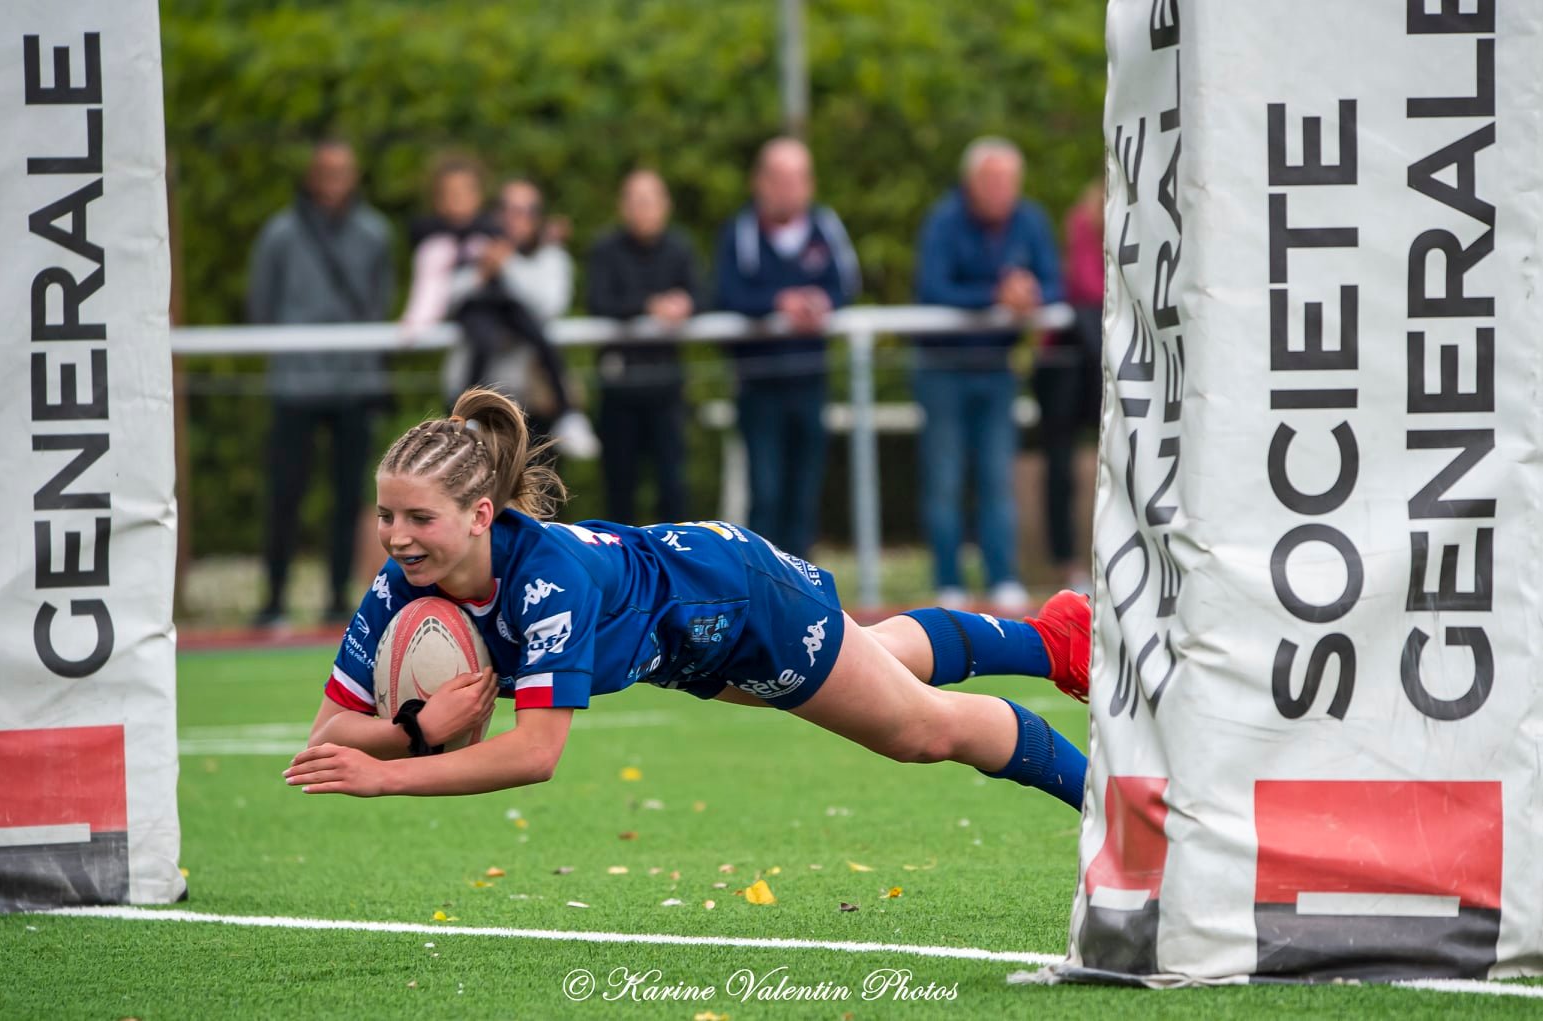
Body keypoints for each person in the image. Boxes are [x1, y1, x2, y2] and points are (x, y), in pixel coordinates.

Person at [284, 387, 1091, 813]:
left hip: (736, 600)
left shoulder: (544, 582)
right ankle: (1055, 638)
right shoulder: (403, 582)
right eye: (387, 514)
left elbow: (536, 754)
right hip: (685, 642)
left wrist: (392, 772)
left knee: (920, 729)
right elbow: (329, 736)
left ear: (479, 516)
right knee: (872, 658)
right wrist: (415, 730)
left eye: (418, 517)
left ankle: (1109, 800)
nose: (396, 536)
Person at [248, 139, 395, 627]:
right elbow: (261, 304)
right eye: (325, 171)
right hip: (296, 382)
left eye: (342, 171)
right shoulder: (282, 234)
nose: (333, 181)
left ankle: (338, 595)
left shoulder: (374, 233)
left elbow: (380, 302)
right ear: (312, 175)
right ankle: (274, 597)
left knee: (352, 494)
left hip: (354, 380)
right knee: (285, 492)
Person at [913, 137, 1062, 612]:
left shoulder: (1030, 221)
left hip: (997, 371)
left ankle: (1003, 577)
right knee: (945, 479)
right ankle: (948, 582)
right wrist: (996, 298)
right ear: (970, 182)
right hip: (943, 370)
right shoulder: (943, 221)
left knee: (998, 477)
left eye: (1008, 182)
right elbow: (932, 288)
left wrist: (1030, 293)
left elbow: (1053, 284)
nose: (1000, 190)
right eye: (991, 180)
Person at [713, 137, 859, 559]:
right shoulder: (740, 231)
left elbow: (846, 285)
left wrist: (821, 303)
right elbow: (726, 293)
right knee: (767, 490)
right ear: (759, 182)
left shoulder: (826, 226)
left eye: (796, 178)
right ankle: (763, 585)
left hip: (810, 379)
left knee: (805, 489)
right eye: (778, 178)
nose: (787, 188)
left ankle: (802, 590)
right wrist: (779, 304)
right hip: (758, 383)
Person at [422, 171, 598, 458]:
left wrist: (506, 263)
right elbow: (443, 299)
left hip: (531, 401)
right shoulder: (471, 243)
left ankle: (568, 413)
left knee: (532, 495)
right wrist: (481, 272)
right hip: (473, 402)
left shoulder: (551, 256)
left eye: (526, 211)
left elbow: (548, 305)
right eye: (508, 209)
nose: (516, 218)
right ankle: (467, 415)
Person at [585, 169, 700, 524]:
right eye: (636, 201)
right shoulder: (605, 249)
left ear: (666, 205)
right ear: (622, 207)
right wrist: (649, 306)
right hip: (619, 389)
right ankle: (623, 572)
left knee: (673, 486)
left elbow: (705, 296)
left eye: (650, 201)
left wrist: (685, 304)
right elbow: (599, 302)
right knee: (620, 488)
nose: (643, 210)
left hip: (667, 389)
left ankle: (676, 571)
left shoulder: (681, 248)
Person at [1034, 179, 1105, 595]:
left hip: (1100, 363)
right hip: (1068, 366)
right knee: (1061, 469)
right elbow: (1088, 286)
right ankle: (1066, 562)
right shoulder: (1084, 221)